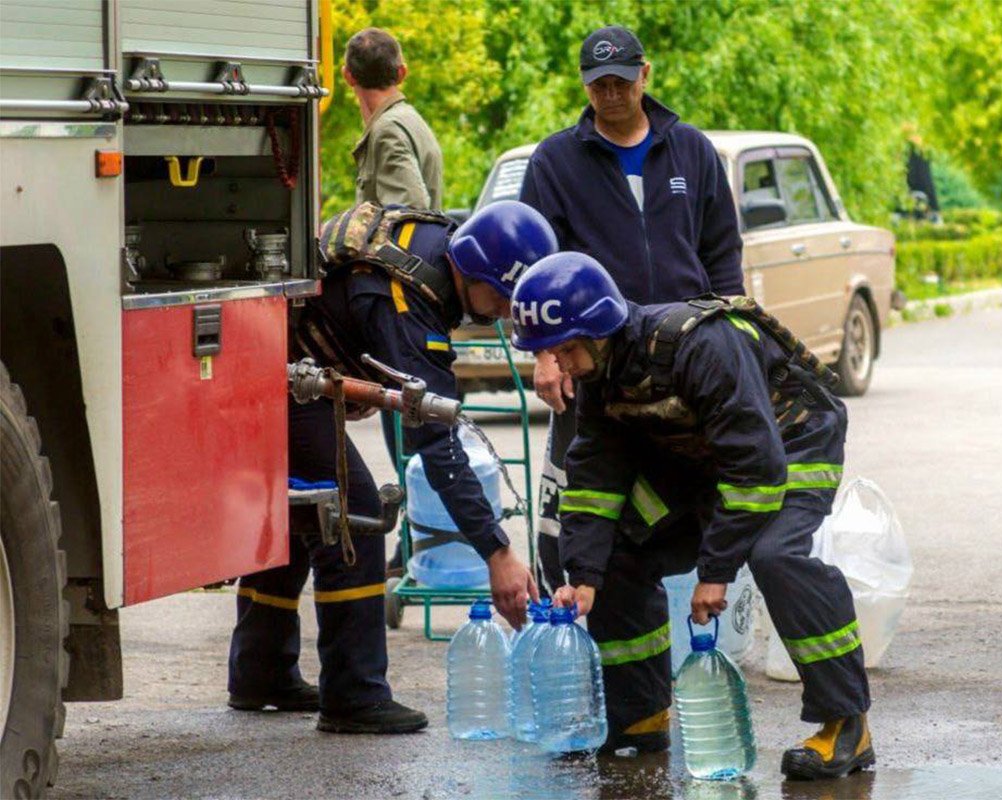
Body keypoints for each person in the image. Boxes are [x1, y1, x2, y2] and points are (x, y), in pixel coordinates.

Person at [508, 252, 874, 779]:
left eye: (564, 349)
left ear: (599, 329)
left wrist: (716, 570)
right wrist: (584, 576)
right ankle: (640, 715)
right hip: (705, 456)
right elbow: (593, 478)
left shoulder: (702, 345)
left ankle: (846, 725)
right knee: (617, 554)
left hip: (791, 442)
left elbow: (755, 468)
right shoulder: (602, 374)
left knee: (775, 556)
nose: (558, 365)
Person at [227, 201, 555, 734]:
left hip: (277, 365)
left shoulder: (439, 241)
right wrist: (497, 552)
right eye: (500, 297)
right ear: (473, 270)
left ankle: (260, 673)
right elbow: (436, 443)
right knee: (352, 512)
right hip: (280, 380)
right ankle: (354, 695)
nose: (500, 312)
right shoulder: (405, 298)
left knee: (301, 510)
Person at [518, 24, 744, 608]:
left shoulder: (691, 149)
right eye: (600, 85)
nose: (612, 94)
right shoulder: (556, 160)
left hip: (688, 357)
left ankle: (685, 607)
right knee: (585, 492)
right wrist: (547, 353)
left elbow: (722, 250)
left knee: (687, 489)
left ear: (646, 74)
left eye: (622, 81)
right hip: (595, 361)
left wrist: (737, 332)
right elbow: (538, 264)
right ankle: (568, 604)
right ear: (585, 86)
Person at [344, 27, 443, 210]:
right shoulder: (410, 120)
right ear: (402, 73)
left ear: (348, 76)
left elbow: (410, 213)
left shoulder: (388, 130)